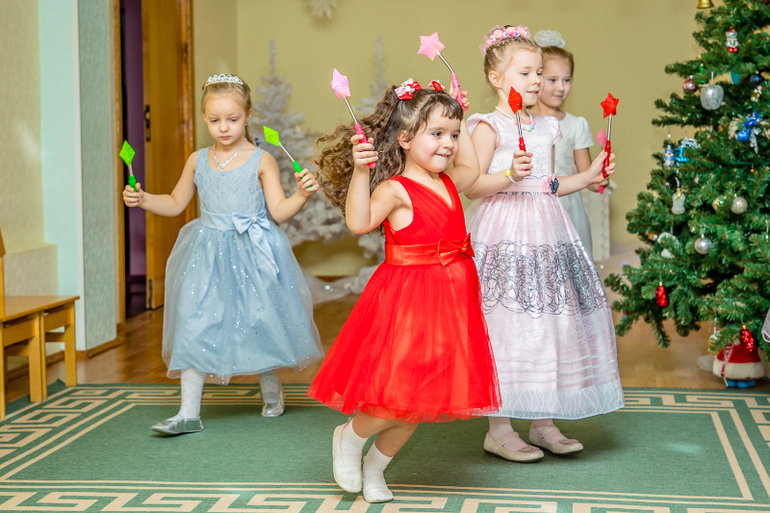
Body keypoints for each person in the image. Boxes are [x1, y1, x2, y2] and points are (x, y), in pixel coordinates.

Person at [308, 80, 500, 502]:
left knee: (424, 400)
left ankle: (376, 469)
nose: (449, 144)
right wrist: (362, 171)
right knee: (398, 395)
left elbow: (472, 169)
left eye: (454, 135)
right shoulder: (395, 189)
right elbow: (359, 222)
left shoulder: (449, 181)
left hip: (451, 303)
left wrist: (462, 117)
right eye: (438, 134)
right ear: (405, 138)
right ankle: (350, 437)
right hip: (408, 304)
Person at [122, 73, 323, 435]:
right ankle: (188, 413)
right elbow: (175, 202)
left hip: (252, 251)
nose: (224, 127)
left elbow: (279, 212)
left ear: (248, 115)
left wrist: (302, 195)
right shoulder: (197, 160)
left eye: (232, 119)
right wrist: (143, 199)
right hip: (207, 252)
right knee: (194, 321)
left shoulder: (261, 159)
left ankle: (271, 389)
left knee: (258, 320)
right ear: (204, 118)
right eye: (215, 120)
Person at [464, 25, 624, 463]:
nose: (536, 80)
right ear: (497, 78)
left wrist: (587, 177)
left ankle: (543, 421)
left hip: (548, 231)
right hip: (505, 233)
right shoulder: (487, 126)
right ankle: (499, 429)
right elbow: (471, 186)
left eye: (539, 72)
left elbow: (548, 184)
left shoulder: (546, 126)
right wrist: (507, 175)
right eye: (526, 73)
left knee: (551, 322)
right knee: (505, 325)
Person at [531, 30, 596, 259]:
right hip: (533, 206)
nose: (561, 87)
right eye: (553, 80)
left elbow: (588, 177)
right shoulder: (523, 122)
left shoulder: (576, 124)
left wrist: (600, 177)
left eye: (566, 80)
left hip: (567, 206)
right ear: (536, 79)